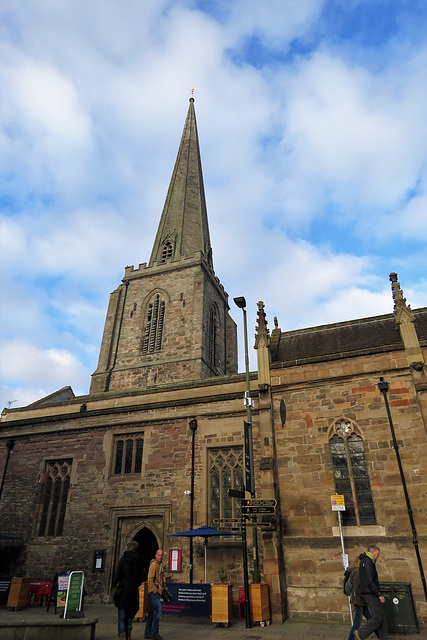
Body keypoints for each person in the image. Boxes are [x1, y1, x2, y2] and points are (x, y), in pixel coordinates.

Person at [354, 544, 387, 640]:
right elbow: (369, 580)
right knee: (378, 617)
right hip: (370, 593)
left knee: (382, 618)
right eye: (378, 553)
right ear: (373, 551)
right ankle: (361, 634)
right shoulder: (367, 561)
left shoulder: (368, 561)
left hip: (371, 592)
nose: (378, 555)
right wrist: (378, 593)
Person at [113, 540, 143, 640]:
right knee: (130, 614)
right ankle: (128, 636)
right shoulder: (138, 560)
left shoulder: (123, 559)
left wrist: (115, 584)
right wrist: (136, 584)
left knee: (121, 616)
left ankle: (122, 636)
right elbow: (140, 576)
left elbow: (118, 574)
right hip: (132, 591)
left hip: (123, 590)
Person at [346, 556, 374, 640]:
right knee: (358, 622)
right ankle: (351, 638)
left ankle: (381, 635)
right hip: (358, 600)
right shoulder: (357, 573)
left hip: (361, 600)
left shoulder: (360, 572)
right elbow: (357, 589)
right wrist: (366, 597)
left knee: (372, 620)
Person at [144, 549, 165, 640]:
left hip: (157, 592)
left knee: (152, 613)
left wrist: (164, 589)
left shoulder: (159, 565)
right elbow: (150, 580)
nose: (160, 557)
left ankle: (147, 633)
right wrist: (155, 590)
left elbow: (160, 580)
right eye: (159, 555)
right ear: (156, 555)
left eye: (161, 555)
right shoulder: (153, 565)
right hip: (153, 593)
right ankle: (155, 632)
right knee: (159, 609)